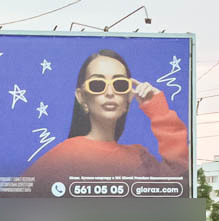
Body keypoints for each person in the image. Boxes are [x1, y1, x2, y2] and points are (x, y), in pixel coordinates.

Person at [21, 49, 189, 192]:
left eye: (120, 85)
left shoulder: (140, 157)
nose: (110, 93)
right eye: (97, 84)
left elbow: (180, 186)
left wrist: (158, 109)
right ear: (81, 97)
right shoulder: (64, 156)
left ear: (129, 97)